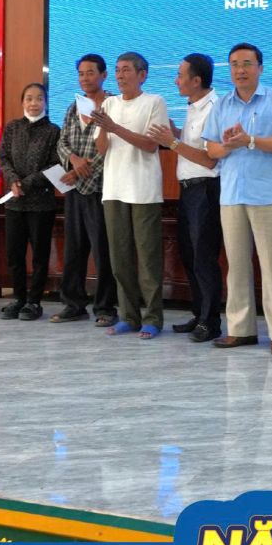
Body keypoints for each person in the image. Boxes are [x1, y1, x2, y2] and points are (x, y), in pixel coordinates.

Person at [201, 43, 272, 356]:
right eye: (234, 64)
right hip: (231, 194)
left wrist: (251, 141)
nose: (240, 70)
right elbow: (211, 150)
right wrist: (231, 145)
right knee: (237, 265)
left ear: (260, 68)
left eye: (246, 63)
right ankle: (241, 330)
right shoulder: (222, 104)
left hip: (267, 194)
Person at [92, 52, 171, 338]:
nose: (120, 75)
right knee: (120, 257)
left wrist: (114, 127)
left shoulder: (155, 102)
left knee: (148, 258)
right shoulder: (109, 104)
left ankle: (153, 318)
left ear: (142, 74)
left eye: (126, 70)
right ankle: (128, 315)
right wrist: (103, 127)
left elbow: (151, 145)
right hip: (114, 189)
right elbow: (102, 149)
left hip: (143, 190)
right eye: (117, 70)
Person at [148, 54, 223, 342]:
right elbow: (191, 144)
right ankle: (199, 314)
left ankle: (211, 321)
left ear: (197, 80)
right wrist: (175, 133)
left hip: (206, 188)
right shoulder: (194, 105)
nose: (175, 80)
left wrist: (172, 142)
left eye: (180, 75)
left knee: (204, 257)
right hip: (189, 189)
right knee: (190, 255)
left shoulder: (215, 108)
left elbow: (209, 159)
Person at [52, 55, 118, 325]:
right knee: (74, 249)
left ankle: (105, 308)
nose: (85, 78)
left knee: (103, 251)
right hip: (75, 189)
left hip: (102, 188)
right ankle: (73, 304)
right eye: (81, 73)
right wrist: (74, 161)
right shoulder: (74, 106)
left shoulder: (114, 104)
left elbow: (112, 146)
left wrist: (83, 169)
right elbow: (62, 142)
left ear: (103, 75)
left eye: (90, 72)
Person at [0, 83, 62, 320]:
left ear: (46, 102)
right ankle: (18, 298)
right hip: (14, 202)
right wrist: (13, 180)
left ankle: (34, 302)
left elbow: (56, 165)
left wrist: (27, 183)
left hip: (41, 203)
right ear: (22, 102)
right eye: (29, 98)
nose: (34, 103)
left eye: (39, 98)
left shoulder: (53, 131)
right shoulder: (13, 127)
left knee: (39, 255)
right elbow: (3, 157)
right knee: (14, 254)